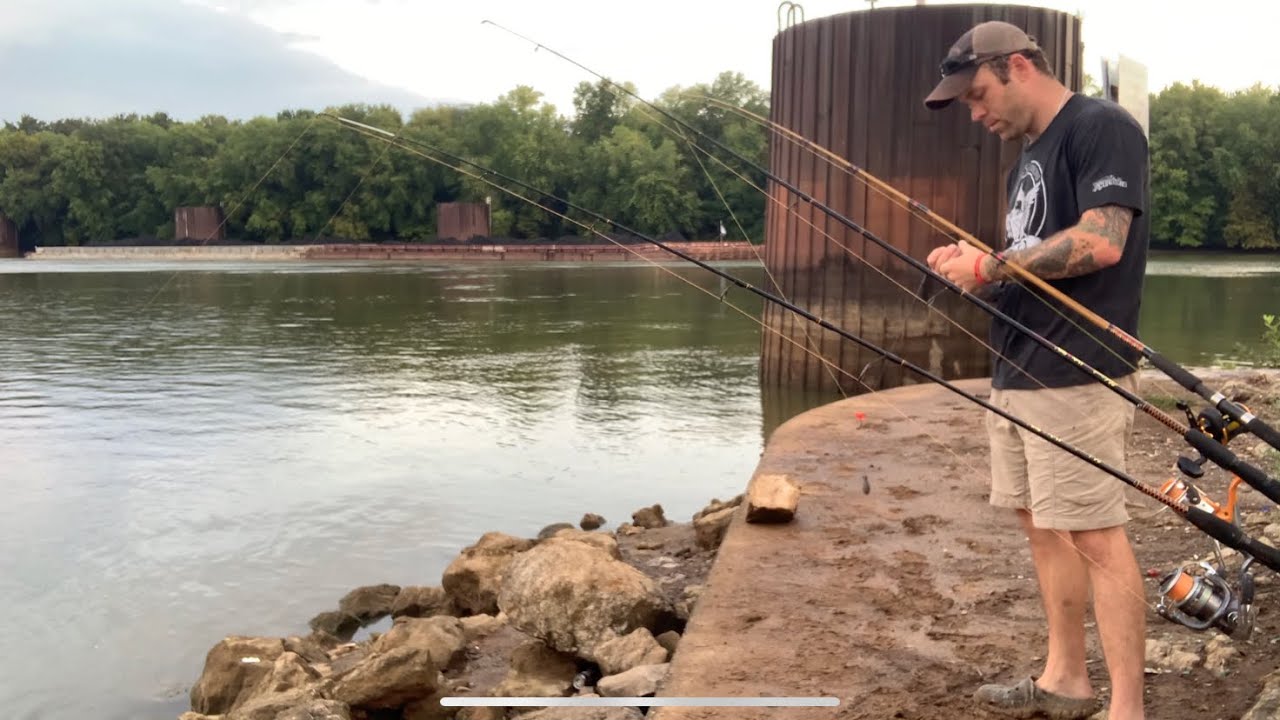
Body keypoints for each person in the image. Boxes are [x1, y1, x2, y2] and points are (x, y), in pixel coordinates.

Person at [922, 20, 1150, 720]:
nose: (977, 112)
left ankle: (1128, 710)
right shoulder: (1028, 155)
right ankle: (1065, 681)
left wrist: (992, 264)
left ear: (1019, 65)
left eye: (980, 95)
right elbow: (1037, 252)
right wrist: (981, 271)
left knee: (1097, 536)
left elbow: (1101, 241)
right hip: (1019, 367)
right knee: (1044, 529)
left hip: (1078, 373)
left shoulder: (1101, 126)